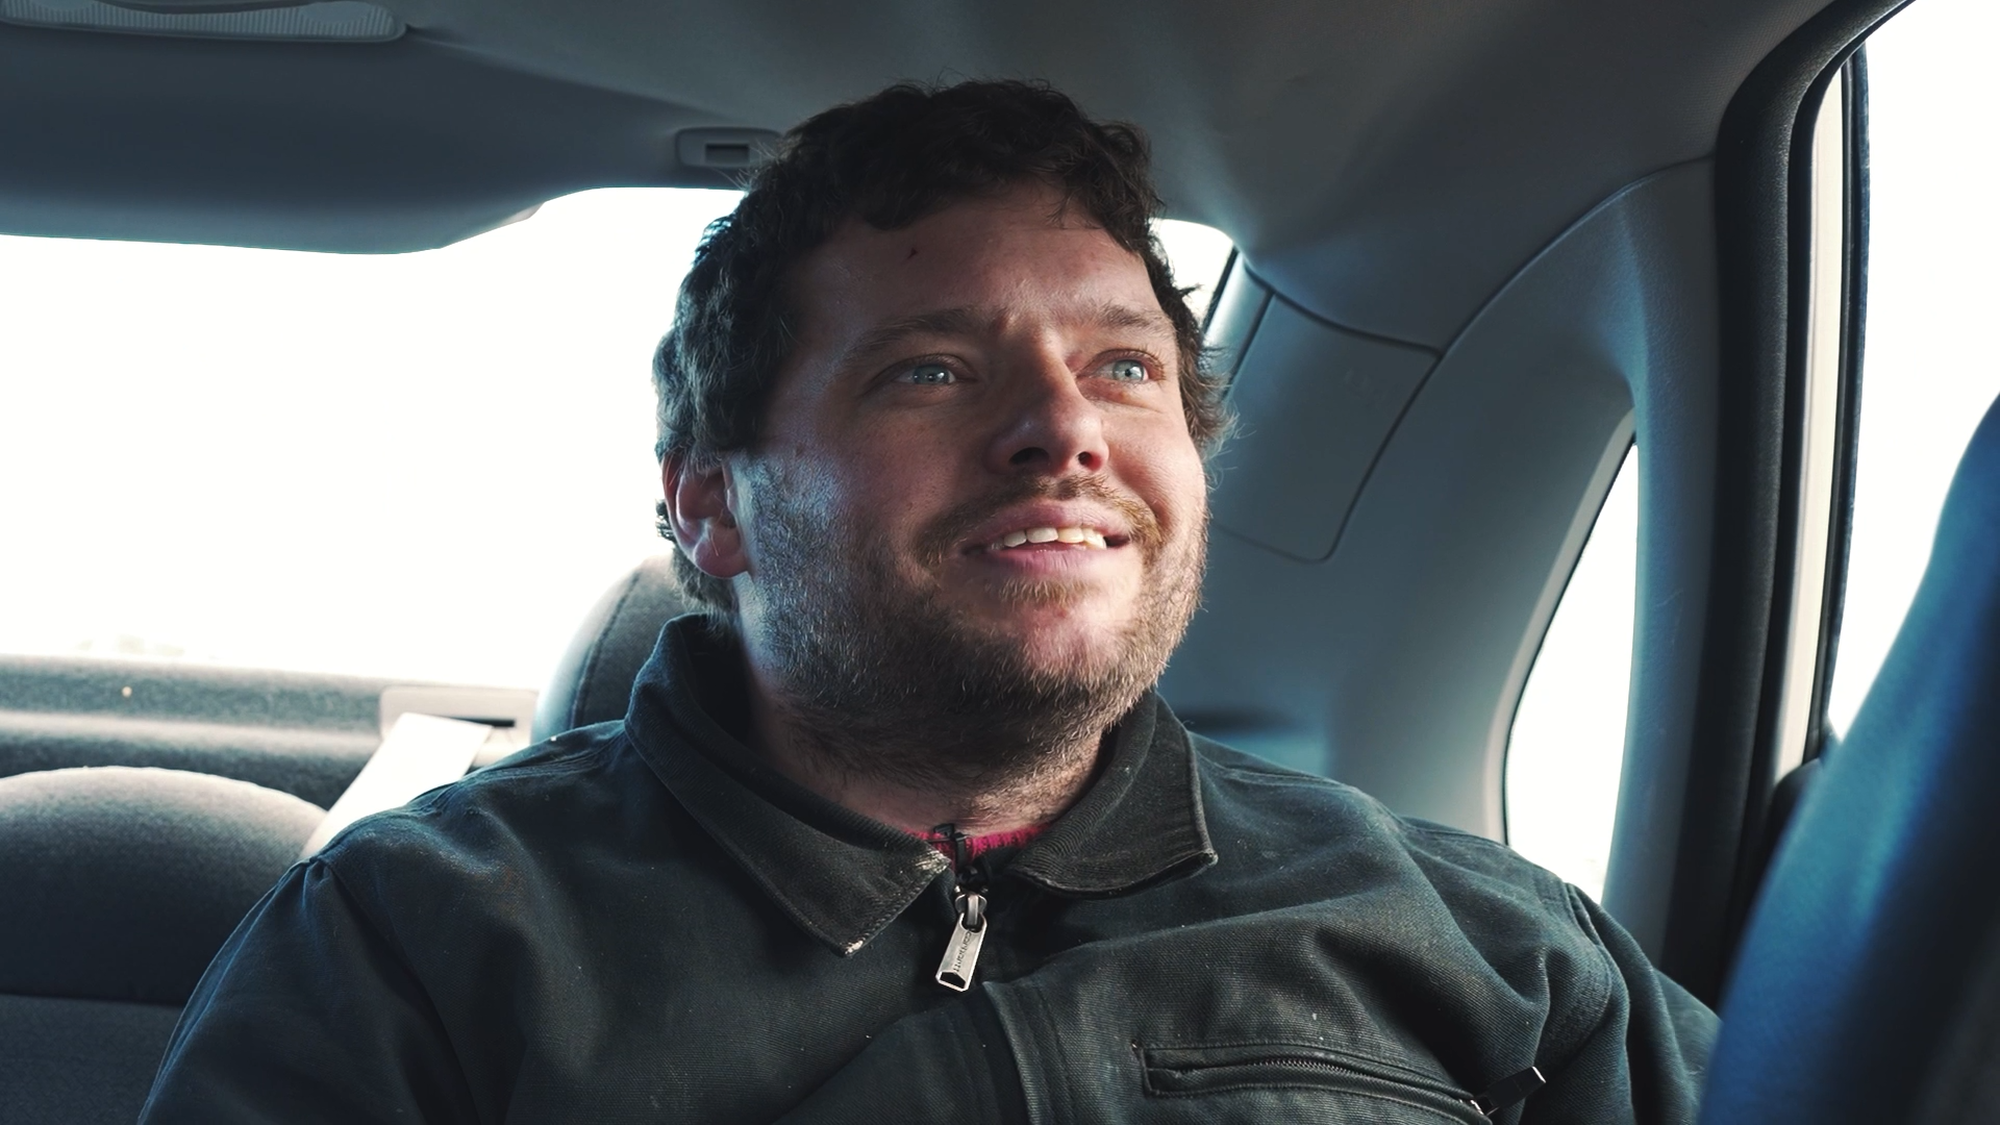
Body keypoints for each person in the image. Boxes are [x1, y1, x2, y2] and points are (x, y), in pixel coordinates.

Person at [141, 80, 1714, 1123]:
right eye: (933, 372)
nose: (1064, 429)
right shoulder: (420, 937)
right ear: (711, 504)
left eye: (1123, 367)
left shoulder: (1490, 943)